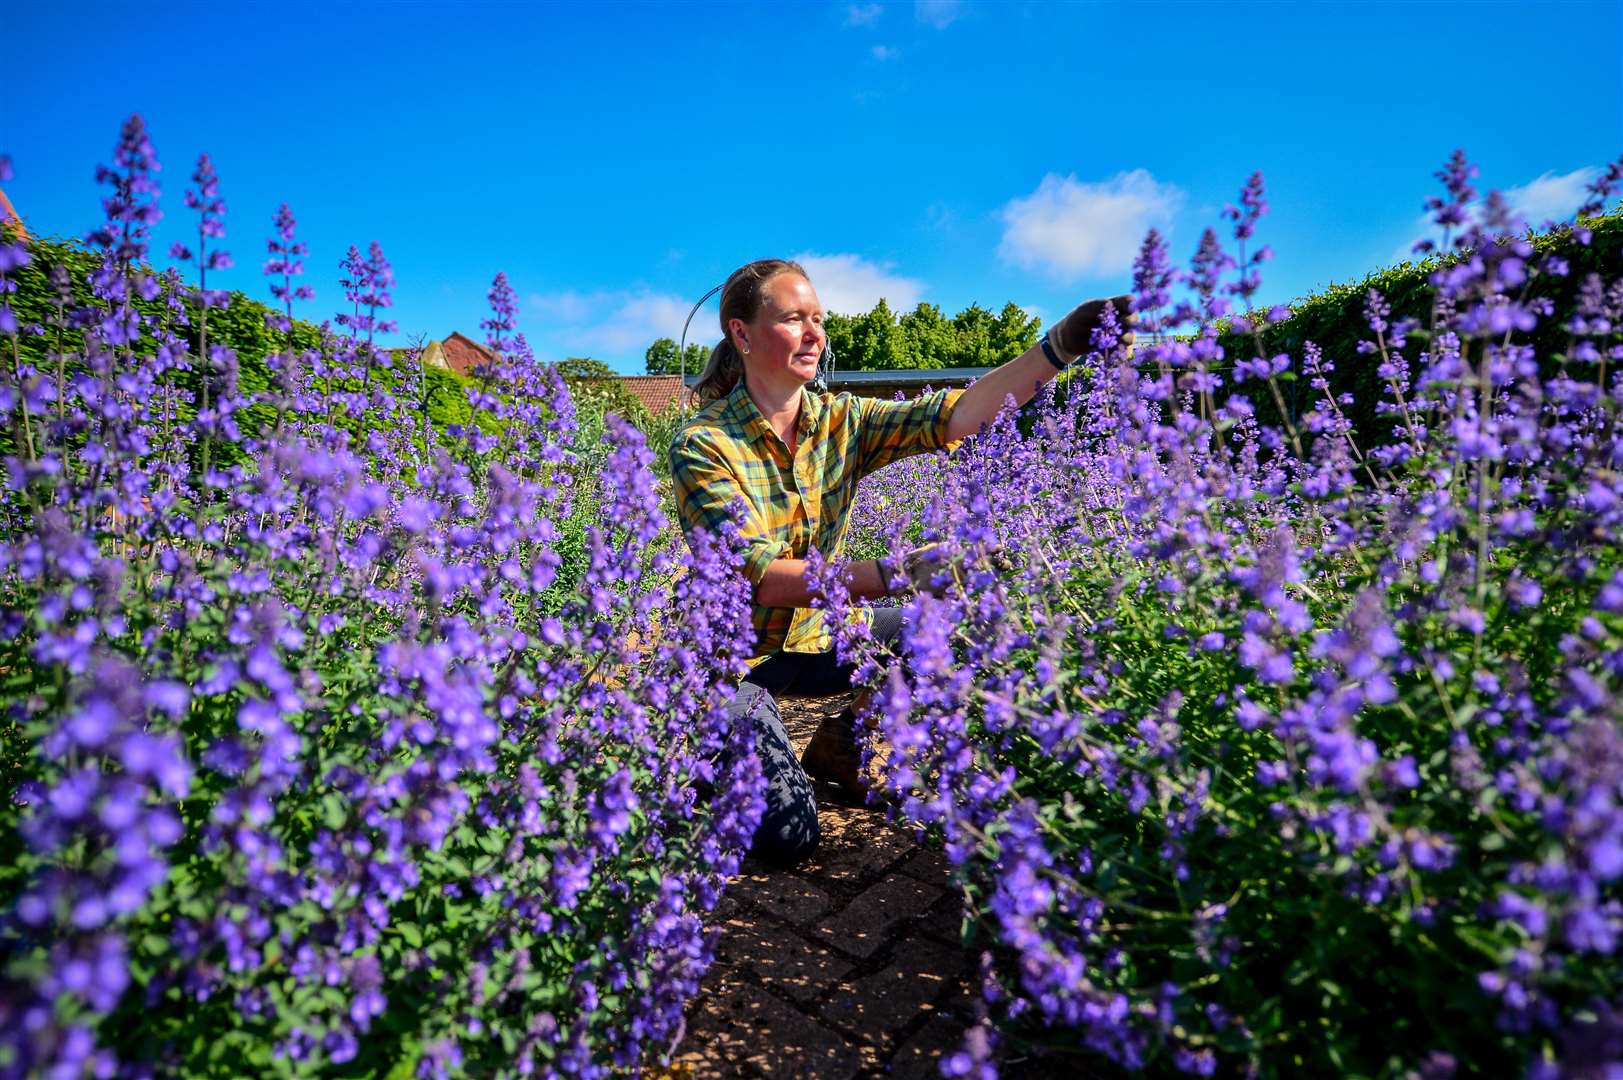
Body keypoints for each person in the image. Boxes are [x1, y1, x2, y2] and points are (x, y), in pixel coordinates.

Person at [669, 258, 1130, 864]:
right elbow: (761, 579)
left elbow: (958, 414)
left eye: (818, 319)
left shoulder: (841, 420)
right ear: (742, 334)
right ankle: (702, 748)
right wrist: (898, 573)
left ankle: (841, 745)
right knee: (788, 839)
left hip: (815, 639)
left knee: (961, 630)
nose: (814, 334)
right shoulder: (704, 442)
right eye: (793, 319)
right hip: (731, 657)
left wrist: (1059, 346)